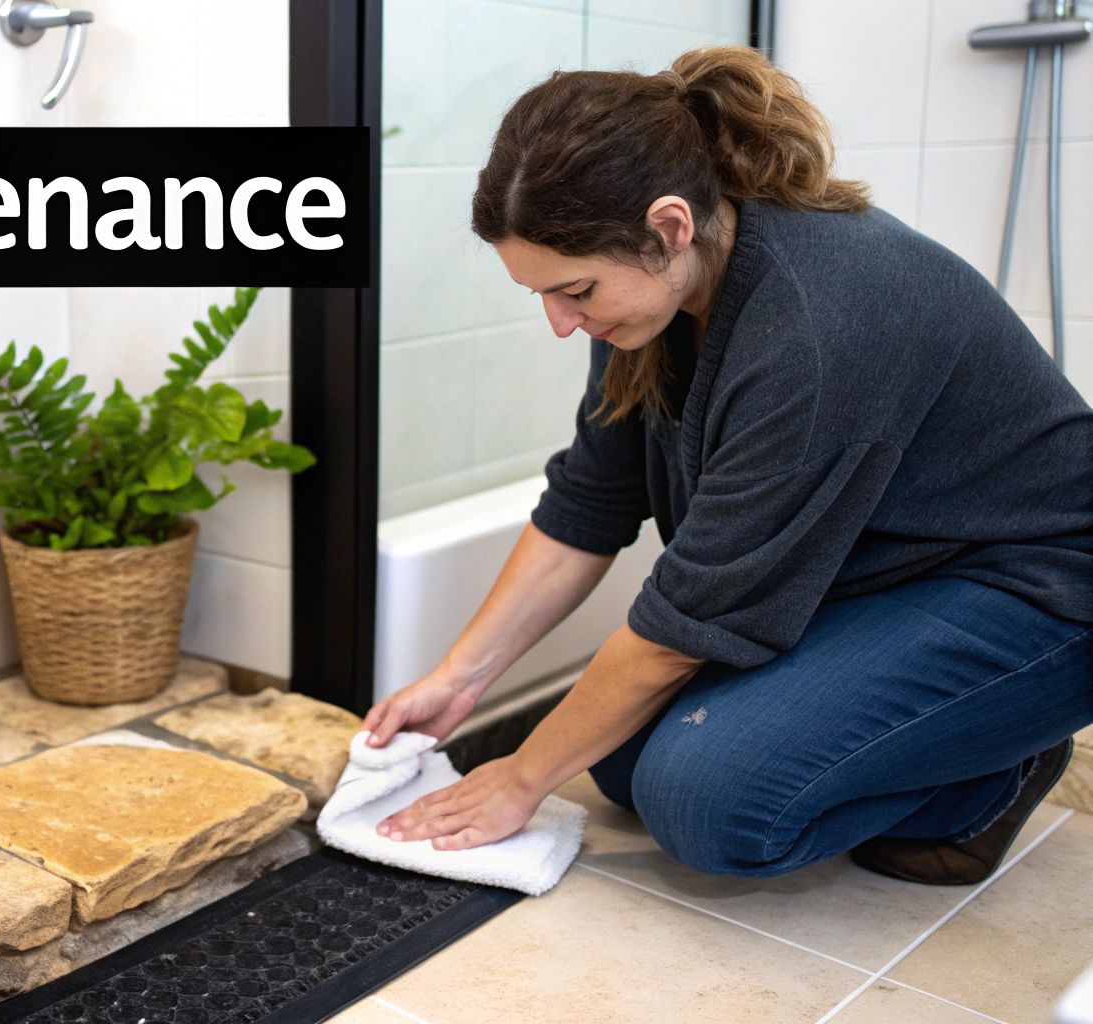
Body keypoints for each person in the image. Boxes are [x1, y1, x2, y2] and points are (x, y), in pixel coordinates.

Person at [361, 45, 1093, 885]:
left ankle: (987, 775)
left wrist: (520, 779)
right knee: (621, 760)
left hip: (1035, 592)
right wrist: (458, 681)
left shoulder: (820, 323)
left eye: (577, 291)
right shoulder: (652, 304)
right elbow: (588, 508)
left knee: (708, 801)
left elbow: (679, 633)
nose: (561, 324)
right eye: (544, 297)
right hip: (865, 576)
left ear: (669, 228)